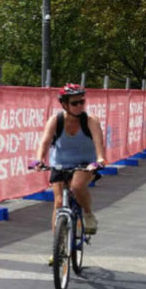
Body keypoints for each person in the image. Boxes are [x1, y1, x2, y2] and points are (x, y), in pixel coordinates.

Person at [34, 83, 107, 238]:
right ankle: (58, 246)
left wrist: (100, 158)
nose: (80, 106)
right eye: (75, 103)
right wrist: (39, 159)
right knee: (59, 202)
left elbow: (98, 142)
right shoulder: (55, 120)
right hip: (60, 163)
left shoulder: (91, 120)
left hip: (85, 164)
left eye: (82, 102)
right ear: (64, 104)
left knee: (77, 186)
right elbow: (45, 142)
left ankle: (88, 214)